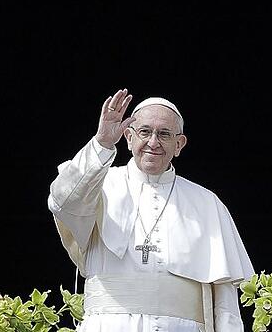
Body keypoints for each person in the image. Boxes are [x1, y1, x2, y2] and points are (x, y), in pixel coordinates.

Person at [48, 88, 254, 332]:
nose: (153, 142)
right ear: (128, 137)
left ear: (179, 144)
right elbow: (62, 201)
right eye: (144, 131)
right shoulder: (98, 185)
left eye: (164, 134)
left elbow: (226, 305)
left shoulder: (207, 203)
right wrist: (101, 144)